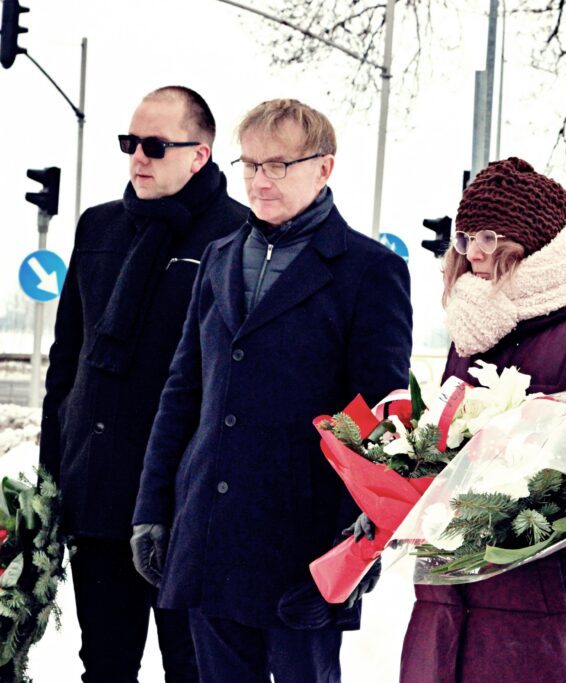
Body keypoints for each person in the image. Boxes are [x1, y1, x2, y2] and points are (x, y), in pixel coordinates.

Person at [131, 98, 413, 683]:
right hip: (210, 537)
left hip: (303, 551)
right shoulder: (218, 258)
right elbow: (183, 393)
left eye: (278, 165)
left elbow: (383, 420)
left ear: (324, 168)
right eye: (252, 164)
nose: (260, 180)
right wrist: (152, 512)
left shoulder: (368, 269)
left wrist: (354, 553)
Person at [38, 86, 246, 683]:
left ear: (200, 155)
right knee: (104, 665)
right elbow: (67, 359)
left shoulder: (236, 239)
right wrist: (58, 469)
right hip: (99, 493)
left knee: (195, 666)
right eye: (130, 143)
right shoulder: (100, 226)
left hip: (187, 507)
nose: (138, 158)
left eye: (155, 146)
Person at [398, 157, 566, 682]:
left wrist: (513, 486)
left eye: (488, 236)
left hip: (535, 605)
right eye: (465, 238)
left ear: (531, 242)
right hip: (448, 595)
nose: (474, 253)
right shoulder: (473, 331)